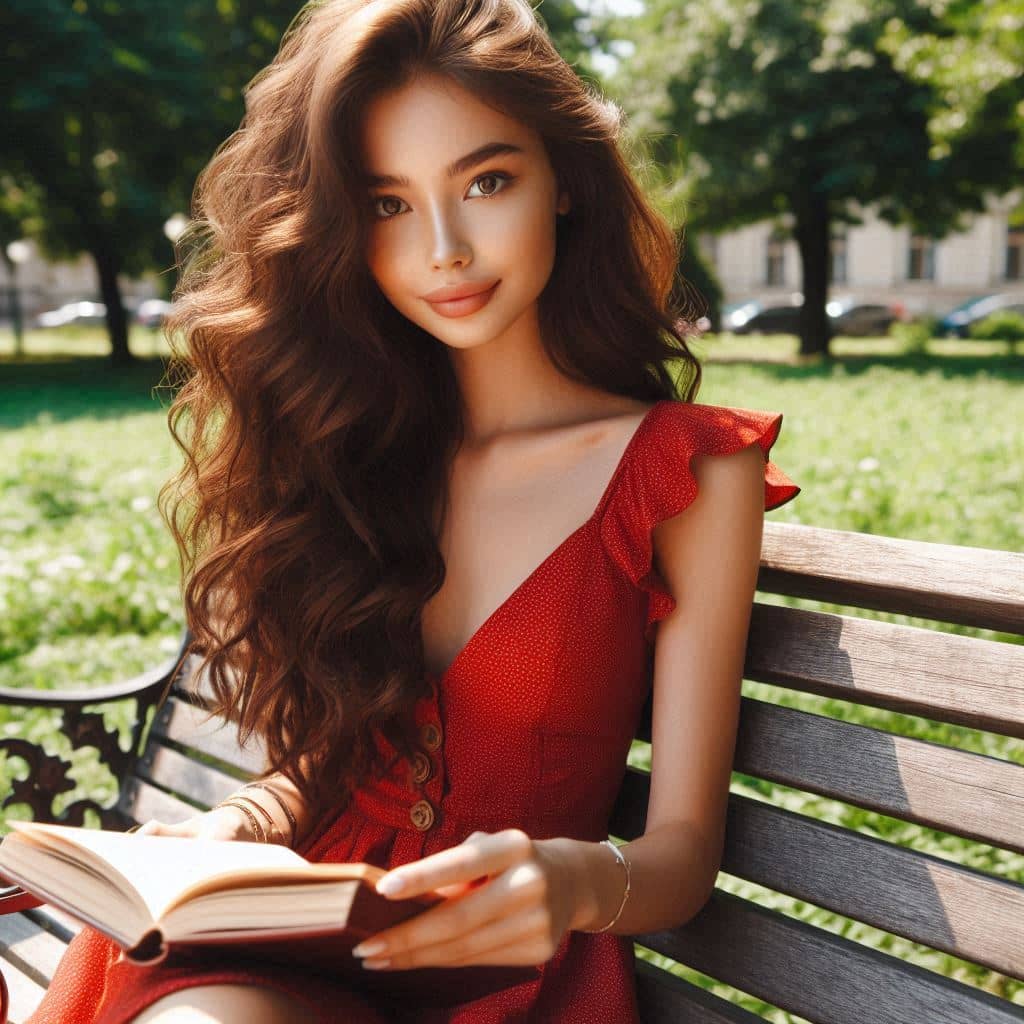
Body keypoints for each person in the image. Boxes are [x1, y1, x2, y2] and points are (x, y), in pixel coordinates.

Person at [26, 0, 800, 1021]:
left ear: (563, 180)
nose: (443, 248)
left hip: (499, 974)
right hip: (293, 929)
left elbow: (682, 854)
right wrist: (240, 823)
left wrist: (570, 879)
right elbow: (341, 752)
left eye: (486, 181)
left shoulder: (686, 471)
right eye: (388, 204)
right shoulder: (362, 449)